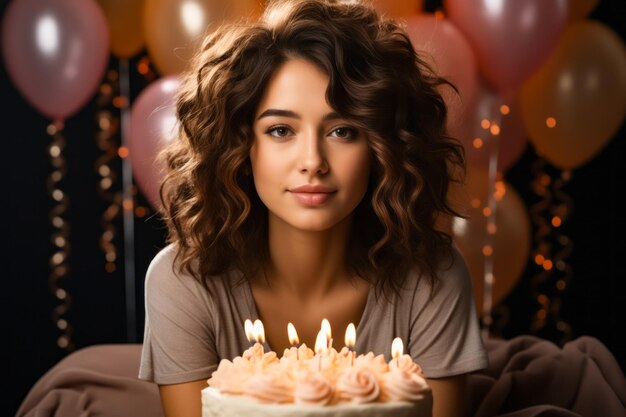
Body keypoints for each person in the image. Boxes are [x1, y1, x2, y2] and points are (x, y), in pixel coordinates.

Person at [138, 0, 488, 416]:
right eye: (281, 130)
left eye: (342, 130)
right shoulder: (182, 281)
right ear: (239, 145)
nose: (312, 161)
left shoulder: (434, 277)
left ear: (382, 147)